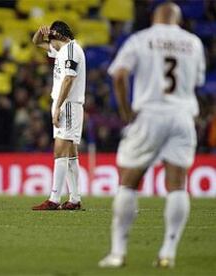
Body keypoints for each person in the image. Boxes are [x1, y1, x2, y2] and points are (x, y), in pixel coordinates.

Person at [98, 2, 206, 268]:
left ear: (154, 17)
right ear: (178, 19)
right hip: (182, 117)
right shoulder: (193, 43)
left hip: (149, 115)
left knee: (129, 180)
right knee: (178, 184)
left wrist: (125, 110)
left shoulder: (141, 39)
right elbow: (198, 83)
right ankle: (168, 252)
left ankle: (118, 253)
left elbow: (119, 75)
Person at [31, 21, 86, 211]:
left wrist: (58, 107)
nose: (49, 44)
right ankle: (75, 199)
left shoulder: (71, 50)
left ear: (59, 36)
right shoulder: (62, 51)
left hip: (68, 104)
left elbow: (69, 79)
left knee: (60, 150)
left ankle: (54, 199)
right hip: (65, 104)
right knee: (70, 154)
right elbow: (36, 42)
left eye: (51, 39)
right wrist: (40, 32)